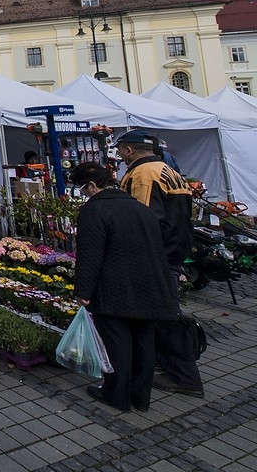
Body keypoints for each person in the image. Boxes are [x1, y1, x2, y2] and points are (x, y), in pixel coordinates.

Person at [69, 162, 178, 411]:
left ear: (93, 185)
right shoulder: (141, 209)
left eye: (83, 189)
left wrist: (83, 291)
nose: (84, 193)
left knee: (117, 342)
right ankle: (141, 397)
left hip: (115, 288)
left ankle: (116, 395)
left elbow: (90, 254)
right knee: (144, 342)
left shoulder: (94, 210)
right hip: (149, 286)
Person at [114, 128, 204, 398]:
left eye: (120, 150)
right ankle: (164, 365)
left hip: (156, 256)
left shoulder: (143, 174)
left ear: (129, 150)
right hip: (173, 251)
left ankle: (184, 377)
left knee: (164, 315)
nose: (119, 155)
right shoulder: (167, 169)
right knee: (164, 312)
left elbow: (140, 219)